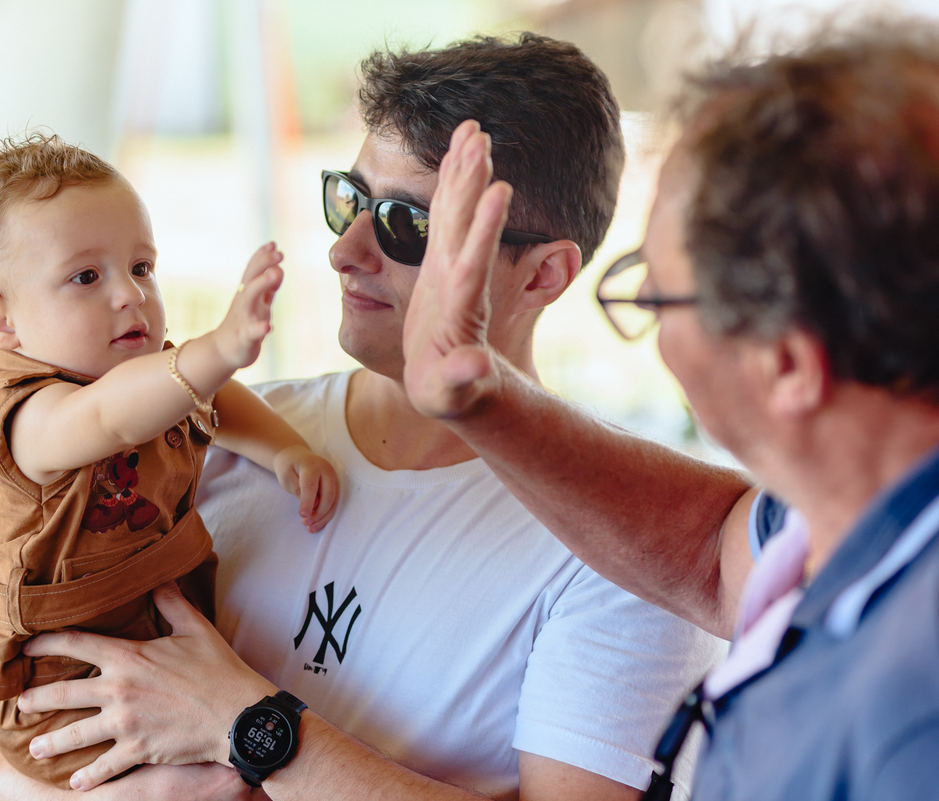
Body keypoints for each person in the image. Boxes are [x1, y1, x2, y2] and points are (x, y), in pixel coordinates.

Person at [0, 35, 724, 801]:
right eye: (348, 199)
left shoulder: (627, 544)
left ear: (543, 274)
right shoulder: (222, 436)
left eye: (406, 224)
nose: (346, 250)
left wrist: (248, 723)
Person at [400, 20, 939, 801]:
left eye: (658, 293)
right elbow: (715, 553)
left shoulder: (911, 714)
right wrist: (481, 400)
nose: (650, 322)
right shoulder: (848, 508)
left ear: (786, 362)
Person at [0, 132, 338, 787]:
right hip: (64, 700)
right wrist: (222, 344)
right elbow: (111, 415)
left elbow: (201, 394)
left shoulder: (149, 374)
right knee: (211, 784)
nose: (130, 295)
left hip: (159, 652)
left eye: (142, 267)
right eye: (86, 276)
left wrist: (283, 447)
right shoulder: (27, 419)